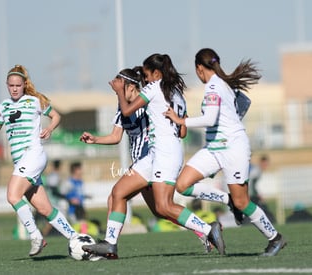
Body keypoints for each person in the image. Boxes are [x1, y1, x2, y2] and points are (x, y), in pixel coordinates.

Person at [83, 54, 226, 258]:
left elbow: (127, 110)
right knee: (118, 193)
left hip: (164, 153)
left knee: (163, 206)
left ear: (156, 73)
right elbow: (183, 131)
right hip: (158, 153)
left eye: (147, 75)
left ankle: (206, 229)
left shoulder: (154, 87)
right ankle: (110, 244)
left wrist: (118, 92)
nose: (146, 80)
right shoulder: (175, 92)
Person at [164, 48, 287, 256]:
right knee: (182, 185)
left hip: (232, 149)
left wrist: (180, 120)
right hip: (214, 148)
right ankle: (227, 200)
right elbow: (243, 105)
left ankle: (275, 238)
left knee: (243, 201)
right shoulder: (222, 85)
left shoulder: (214, 87)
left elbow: (210, 119)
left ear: (199, 68)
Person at [0, 64, 78, 257]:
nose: (15, 88)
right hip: (21, 161)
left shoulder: (34, 101)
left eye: (18, 85)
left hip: (33, 155)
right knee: (45, 208)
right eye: (11, 85)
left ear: (24, 84)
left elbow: (56, 116)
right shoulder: (4, 106)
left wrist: (49, 129)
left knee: (12, 195)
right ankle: (76, 238)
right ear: (7, 85)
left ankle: (35, 236)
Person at [248, 154, 275, 223]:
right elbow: (250, 182)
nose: (266, 166)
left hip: (251, 194)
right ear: (261, 162)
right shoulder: (256, 170)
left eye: (267, 164)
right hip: (250, 195)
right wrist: (256, 194)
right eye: (265, 164)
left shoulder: (257, 169)